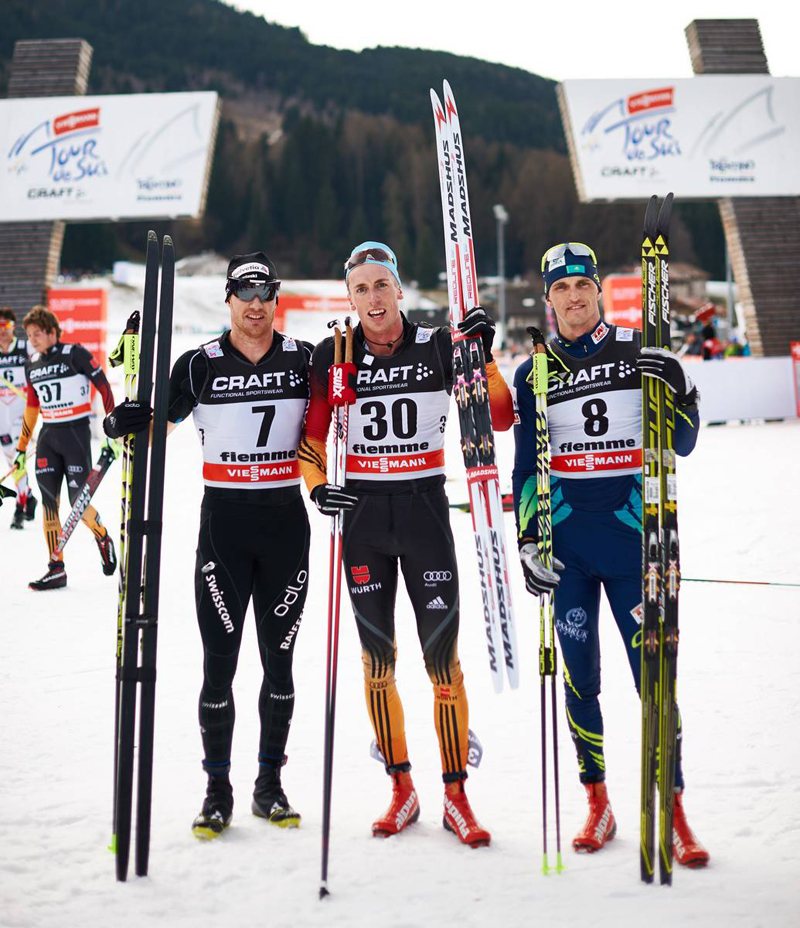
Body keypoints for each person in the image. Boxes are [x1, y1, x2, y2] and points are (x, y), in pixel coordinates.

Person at [298, 242, 514, 847]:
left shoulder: (439, 345)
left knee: (442, 662)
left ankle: (455, 795)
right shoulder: (332, 354)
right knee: (377, 665)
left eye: (381, 285)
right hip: (364, 515)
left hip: (422, 512)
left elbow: (498, 417)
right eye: (360, 288)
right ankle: (401, 786)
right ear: (350, 297)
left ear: (399, 289)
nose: (372, 298)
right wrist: (319, 489)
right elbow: (312, 446)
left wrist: (483, 357)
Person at [510, 243, 709, 866]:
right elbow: (523, 467)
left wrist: (680, 386)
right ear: (547, 300)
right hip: (567, 549)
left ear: (600, 290)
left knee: (654, 681)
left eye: (583, 286)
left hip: (633, 545)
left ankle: (671, 808)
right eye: (561, 290)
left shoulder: (636, 350)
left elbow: (683, 440)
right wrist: (525, 541)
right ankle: (598, 802)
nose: (574, 298)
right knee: (580, 678)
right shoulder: (533, 372)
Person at [105, 252, 313, 840]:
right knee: (218, 666)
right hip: (223, 529)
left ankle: (268, 784)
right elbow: (153, 428)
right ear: (227, 299)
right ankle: (217, 789)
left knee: (280, 665)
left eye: (265, 292)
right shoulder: (198, 366)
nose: (255, 304)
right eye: (244, 293)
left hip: (285, 529)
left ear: (275, 299)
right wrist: (121, 421)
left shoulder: (303, 360)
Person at [14, 306, 117, 590]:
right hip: (49, 437)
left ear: (51, 332)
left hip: (75, 434)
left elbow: (104, 387)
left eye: (37, 333)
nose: (32, 339)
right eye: (29, 334)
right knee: (50, 503)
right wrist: (22, 449)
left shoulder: (75, 353)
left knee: (78, 502)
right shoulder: (31, 363)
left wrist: (113, 427)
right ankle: (55, 567)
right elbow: (32, 409)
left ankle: (102, 536)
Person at [0, 307, 37, 528]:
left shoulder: (25, 348)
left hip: (22, 411)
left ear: (14, 327)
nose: (2, 331)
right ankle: (28, 495)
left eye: (6, 325)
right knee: (12, 460)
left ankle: (21, 506)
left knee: (17, 456)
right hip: (2, 414)